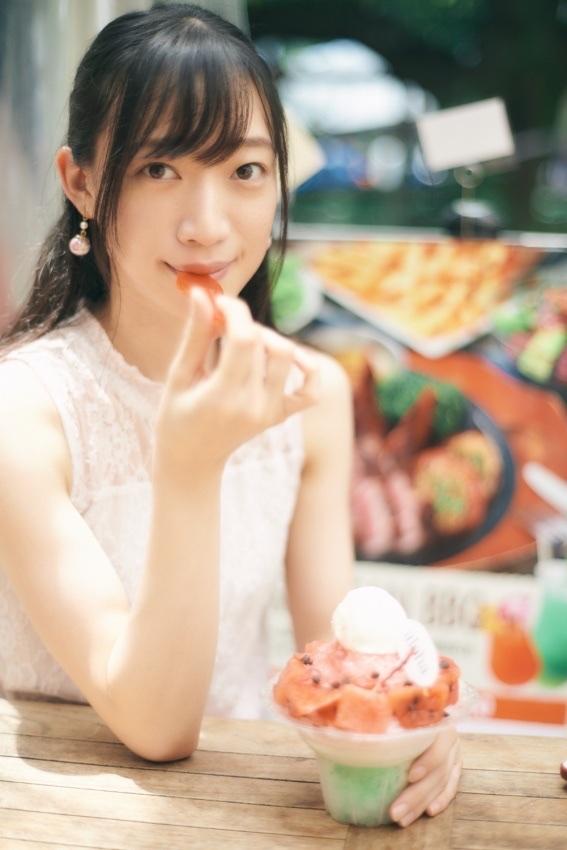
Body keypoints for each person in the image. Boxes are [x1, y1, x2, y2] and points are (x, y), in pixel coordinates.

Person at [0, 3, 460, 827]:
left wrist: (405, 723)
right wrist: (189, 466)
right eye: (158, 168)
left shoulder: (311, 394)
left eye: (244, 170)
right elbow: (154, 726)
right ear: (82, 183)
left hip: (247, 815)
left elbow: (335, 657)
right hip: (56, 819)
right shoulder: (25, 411)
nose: (207, 226)